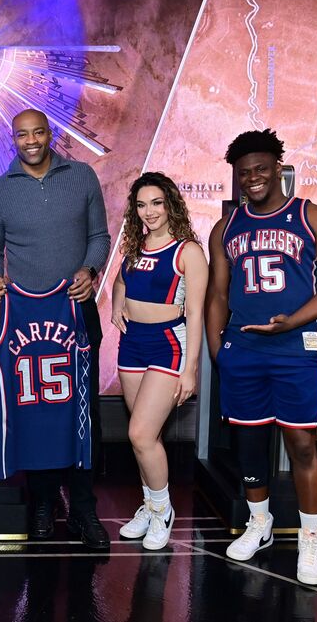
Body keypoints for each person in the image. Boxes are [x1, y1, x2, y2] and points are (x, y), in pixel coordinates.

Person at [205, 129, 317, 585]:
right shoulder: (226, 226)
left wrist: (292, 322)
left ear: (279, 169)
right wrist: (217, 352)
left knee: (302, 445)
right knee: (249, 445)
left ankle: (311, 540)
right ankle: (260, 523)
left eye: (261, 169)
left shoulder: (314, 217)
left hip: (295, 347)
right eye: (244, 172)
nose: (252, 178)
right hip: (242, 351)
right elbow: (217, 294)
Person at [0, 108, 111, 549]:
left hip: (75, 311)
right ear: (12, 139)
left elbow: (100, 237)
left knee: (81, 409)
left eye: (38, 132)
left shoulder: (83, 176)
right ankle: (41, 502)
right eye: (22, 135)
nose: (31, 141)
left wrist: (90, 270)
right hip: (25, 318)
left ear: (50, 134)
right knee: (33, 409)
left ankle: (84, 508)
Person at [111, 172, 207, 550]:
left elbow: (196, 314)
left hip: (169, 344)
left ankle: (164, 510)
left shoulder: (188, 251)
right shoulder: (135, 247)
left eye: (156, 203)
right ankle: (149, 506)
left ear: (170, 205)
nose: (148, 212)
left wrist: (191, 371)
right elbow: (122, 281)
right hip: (132, 344)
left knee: (141, 434)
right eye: (140, 204)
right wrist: (118, 301)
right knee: (144, 436)